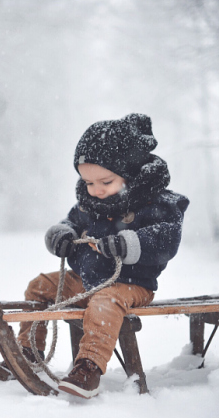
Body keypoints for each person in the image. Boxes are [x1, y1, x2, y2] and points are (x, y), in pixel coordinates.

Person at [17, 113, 189, 399]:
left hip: (131, 284)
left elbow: (165, 240)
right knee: (40, 285)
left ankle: (89, 367)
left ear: (131, 174)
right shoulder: (90, 204)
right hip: (87, 280)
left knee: (105, 302)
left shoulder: (158, 205)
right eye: (87, 183)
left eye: (105, 182)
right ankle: (28, 349)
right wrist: (61, 236)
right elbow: (70, 222)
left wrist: (125, 244)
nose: (95, 191)